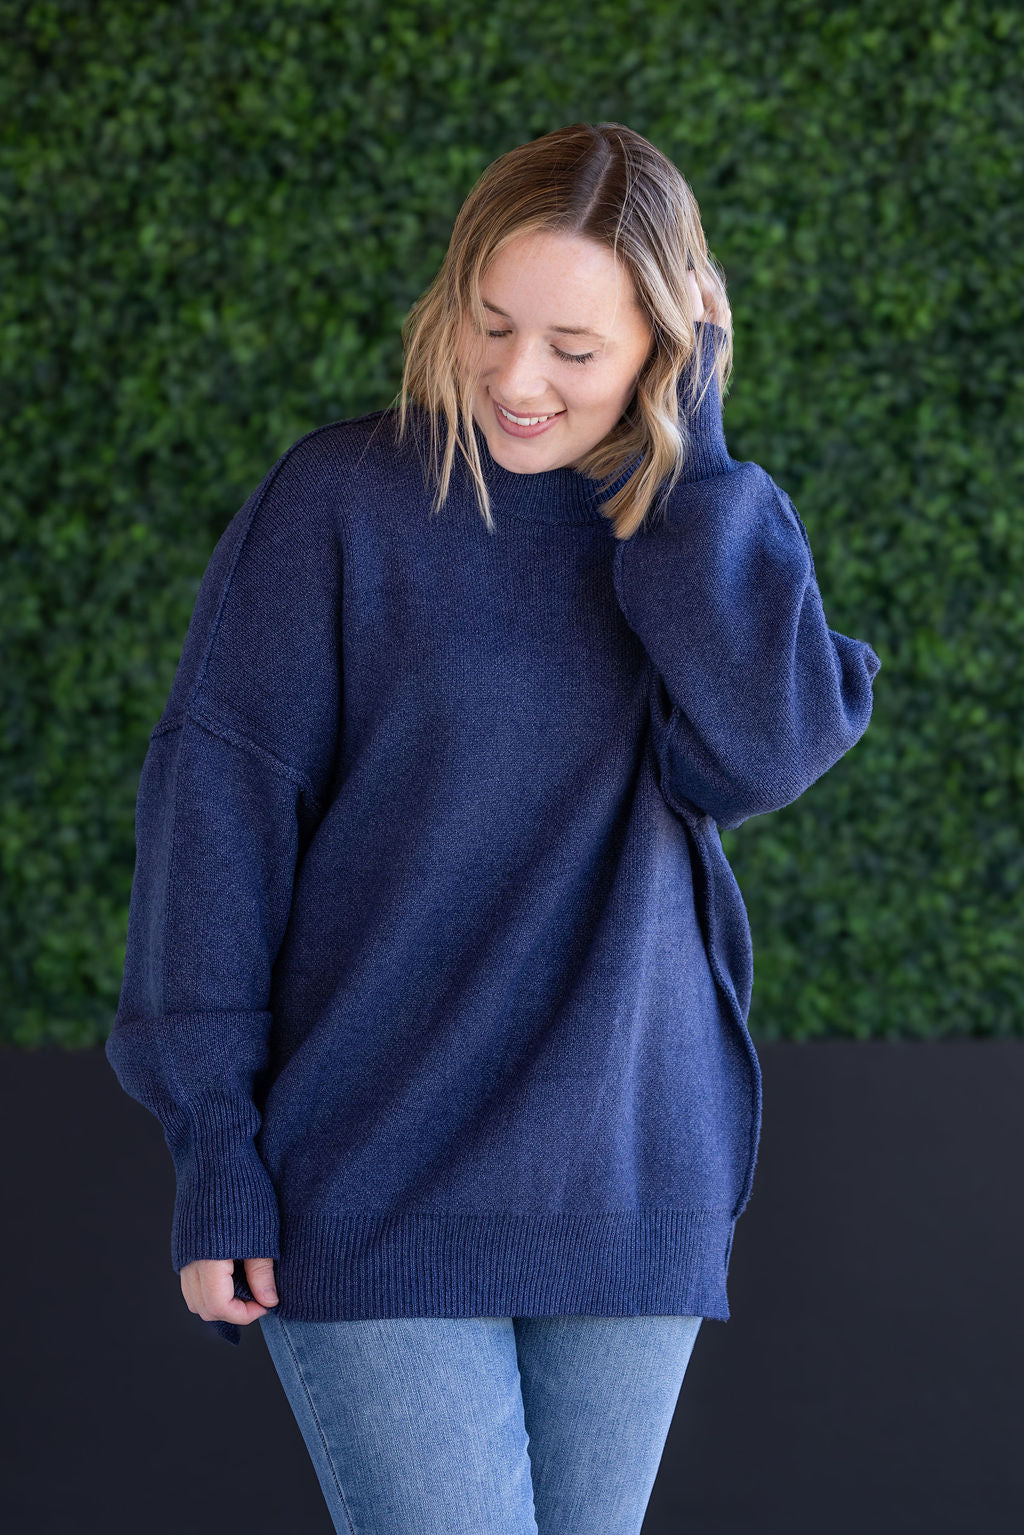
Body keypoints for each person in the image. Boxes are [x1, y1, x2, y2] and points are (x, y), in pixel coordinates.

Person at [105, 120, 881, 1533]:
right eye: (491, 324)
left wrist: (692, 468)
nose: (519, 381)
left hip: (624, 1165)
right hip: (372, 1159)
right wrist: (214, 1142)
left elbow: (764, 752)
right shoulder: (339, 504)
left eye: (577, 350)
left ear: (668, 341)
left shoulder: (699, 529)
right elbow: (216, 818)